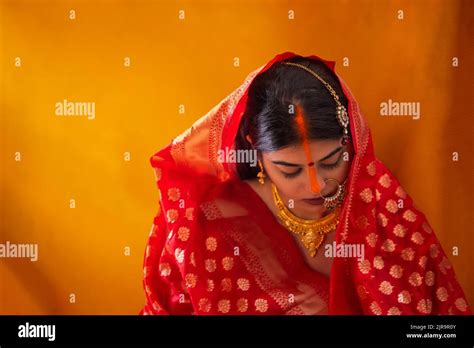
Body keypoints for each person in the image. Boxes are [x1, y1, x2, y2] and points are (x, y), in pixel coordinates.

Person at [139, 52, 470, 315]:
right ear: (256, 149)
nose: (316, 187)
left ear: (351, 140)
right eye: (289, 170)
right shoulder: (212, 220)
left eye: (330, 163)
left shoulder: (384, 211)